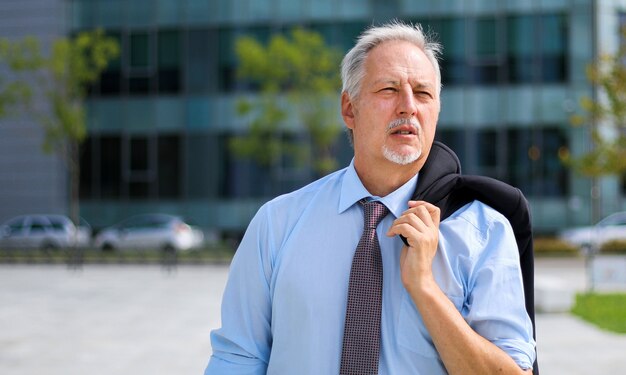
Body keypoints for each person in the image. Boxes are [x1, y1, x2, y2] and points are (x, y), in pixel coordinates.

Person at [205, 21, 536, 374]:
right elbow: (237, 360)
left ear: (437, 111)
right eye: (389, 89)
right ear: (349, 109)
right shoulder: (277, 224)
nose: (408, 106)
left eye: (423, 94)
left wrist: (425, 288)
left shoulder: (482, 231)